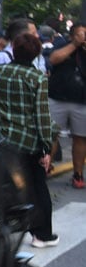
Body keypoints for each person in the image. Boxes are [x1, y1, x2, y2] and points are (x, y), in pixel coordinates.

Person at [0, 32, 58, 247]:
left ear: (13, 50)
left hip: (0, 139)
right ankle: (42, 235)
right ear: (36, 54)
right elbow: (41, 116)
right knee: (38, 187)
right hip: (29, 141)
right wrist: (46, 148)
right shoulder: (37, 78)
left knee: (2, 186)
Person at [47, 22, 86, 190]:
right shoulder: (62, 45)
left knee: (81, 137)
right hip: (58, 99)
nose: (83, 37)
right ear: (71, 36)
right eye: (80, 34)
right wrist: (74, 45)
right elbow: (53, 59)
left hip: (82, 101)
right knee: (51, 135)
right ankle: (46, 166)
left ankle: (78, 174)